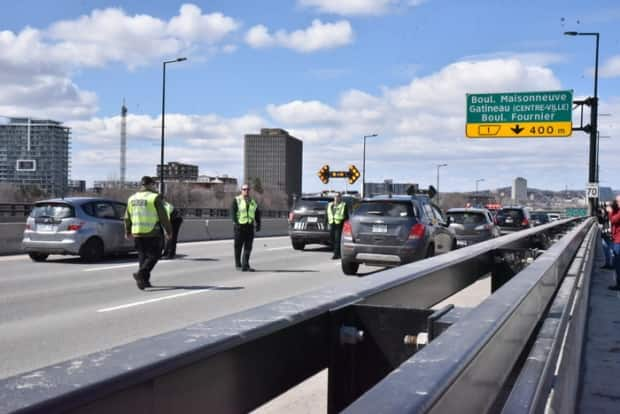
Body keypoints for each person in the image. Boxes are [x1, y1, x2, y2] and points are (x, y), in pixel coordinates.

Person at [124, 176, 172, 290]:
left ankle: (143, 282)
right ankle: (141, 274)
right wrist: (169, 231)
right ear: (150, 184)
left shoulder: (132, 198)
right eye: (153, 184)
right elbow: (163, 216)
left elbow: (127, 216)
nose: (154, 186)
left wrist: (127, 230)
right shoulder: (154, 197)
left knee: (143, 256)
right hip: (152, 231)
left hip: (137, 232)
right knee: (155, 255)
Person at [231, 184, 261, 271]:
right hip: (239, 227)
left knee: (248, 247)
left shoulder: (252, 201)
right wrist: (236, 222)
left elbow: (257, 213)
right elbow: (233, 212)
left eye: (248, 189)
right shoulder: (237, 200)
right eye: (244, 189)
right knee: (238, 246)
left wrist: (258, 224)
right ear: (241, 190)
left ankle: (245, 265)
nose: (246, 191)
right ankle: (238, 264)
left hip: (249, 226)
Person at [327, 192, 348, 259]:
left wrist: (345, 223)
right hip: (331, 223)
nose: (337, 197)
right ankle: (337, 252)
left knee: (337, 239)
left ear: (340, 197)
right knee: (331, 239)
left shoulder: (343, 205)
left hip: (339, 224)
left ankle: (336, 254)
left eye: (338, 196)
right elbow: (327, 214)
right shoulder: (330, 205)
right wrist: (326, 223)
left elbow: (346, 215)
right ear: (334, 197)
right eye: (335, 196)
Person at [607, 197, 620, 290]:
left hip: (619, 241)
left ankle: (618, 284)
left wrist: (610, 211)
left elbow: (613, 220)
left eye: (617, 201)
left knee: (617, 262)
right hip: (617, 239)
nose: (616, 203)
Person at [598, 202, 613, 270]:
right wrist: (600, 214)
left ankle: (612, 264)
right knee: (606, 250)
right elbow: (601, 222)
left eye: (607, 206)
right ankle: (607, 264)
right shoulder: (604, 215)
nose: (605, 208)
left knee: (611, 251)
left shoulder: (612, 214)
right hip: (604, 235)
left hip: (610, 235)